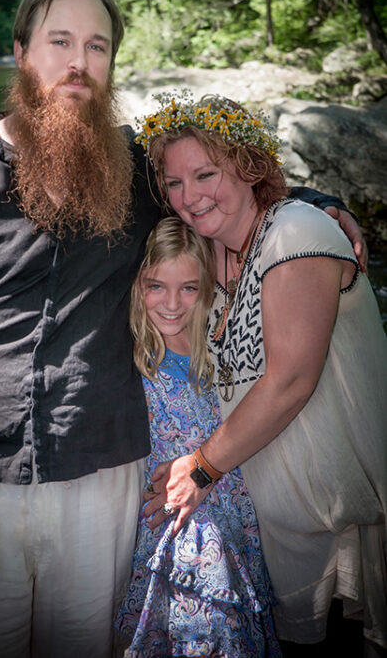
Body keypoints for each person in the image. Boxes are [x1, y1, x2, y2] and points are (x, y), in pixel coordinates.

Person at [0, 0, 367, 657]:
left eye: (98, 46)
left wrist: (315, 203)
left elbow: (217, 186)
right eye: (60, 41)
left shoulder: (137, 168)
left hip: (105, 471)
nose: (79, 62)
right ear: (21, 52)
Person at [136, 90, 387, 656]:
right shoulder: (209, 252)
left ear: (249, 166)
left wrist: (200, 468)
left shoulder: (296, 234)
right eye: (174, 183)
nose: (189, 197)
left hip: (340, 523)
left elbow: (291, 381)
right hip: (272, 532)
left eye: (205, 174)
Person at [114, 216, 282, 657]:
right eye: (156, 286)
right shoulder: (133, 357)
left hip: (235, 510)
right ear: (138, 286)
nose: (172, 303)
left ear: (207, 289)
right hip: (173, 523)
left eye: (188, 288)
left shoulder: (224, 352)